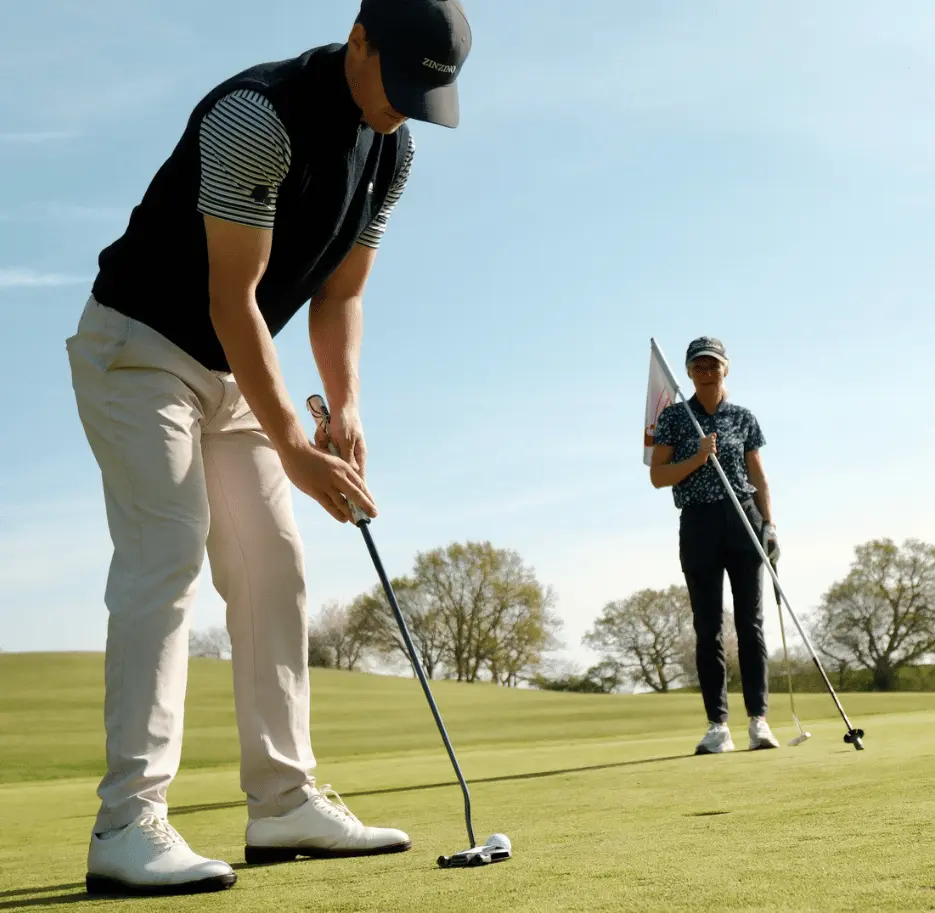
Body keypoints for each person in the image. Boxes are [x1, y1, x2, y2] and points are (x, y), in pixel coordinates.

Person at [65, 0, 472, 896]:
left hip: (229, 369)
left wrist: (347, 406)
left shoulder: (390, 148)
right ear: (358, 38)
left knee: (275, 564)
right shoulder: (258, 116)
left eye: (422, 97)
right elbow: (231, 298)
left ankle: (282, 802)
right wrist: (291, 439)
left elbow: (338, 297)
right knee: (166, 551)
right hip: (139, 347)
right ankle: (127, 821)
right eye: (397, 84)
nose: (401, 109)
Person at [649, 337, 781, 756]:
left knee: (750, 624)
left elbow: (759, 478)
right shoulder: (674, 418)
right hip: (699, 522)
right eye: (699, 366)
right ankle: (717, 725)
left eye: (714, 365)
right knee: (708, 628)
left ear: (726, 369)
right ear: (688, 372)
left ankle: (759, 721)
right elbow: (658, 476)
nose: (707, 371)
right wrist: (698, 458)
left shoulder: (743, 418)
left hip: (743, 518)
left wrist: (771, 526)